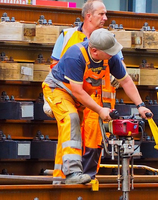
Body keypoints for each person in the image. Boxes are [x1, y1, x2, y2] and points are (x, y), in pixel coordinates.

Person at [42, 28, 151, 185]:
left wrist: (140, 105)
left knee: (70, 133)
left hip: (76, 96)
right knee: (71, 118)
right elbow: (78, 91)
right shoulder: (76, 56)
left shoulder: (109, 58)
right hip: (57, 90)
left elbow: (125, 80)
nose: (113, 55)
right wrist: (100, 110)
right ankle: (72, 173)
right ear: (94, 51)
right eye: (109, 52)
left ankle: (60, 179)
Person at [44, 0, 124, 182]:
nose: (105, 18)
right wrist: (50, 100)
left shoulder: (108, 40)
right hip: (74, 96)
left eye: (106, 14)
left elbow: (122, 71)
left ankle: (85, 182)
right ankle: (63, 179)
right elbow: (55, 69)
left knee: (94, 143)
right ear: (89, 16)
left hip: (99, 103)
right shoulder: (67, 36)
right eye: (101, 14)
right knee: (70, 134)